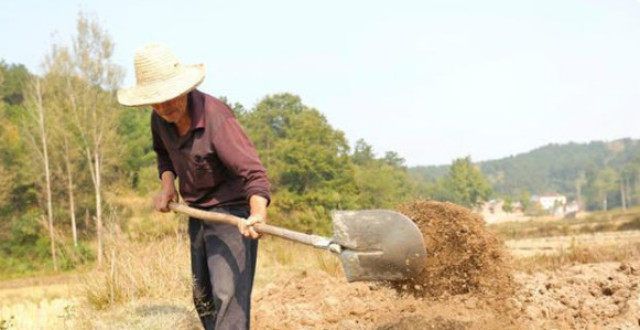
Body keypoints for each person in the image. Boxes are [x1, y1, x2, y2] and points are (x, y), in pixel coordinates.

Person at [117, 43, 270, 330]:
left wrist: (257, 212)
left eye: (168, 99)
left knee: (229, 297)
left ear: (183, 89)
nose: (163, 108)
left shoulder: (217, 118)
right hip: (198, 214)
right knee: (203, 299)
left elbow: (254, 173)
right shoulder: (160, 119)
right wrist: (167, 186)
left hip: (231, 215)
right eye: (155, 101)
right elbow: (163, 153)